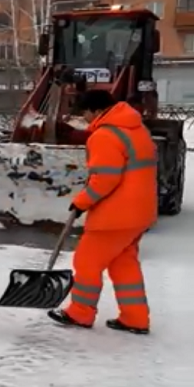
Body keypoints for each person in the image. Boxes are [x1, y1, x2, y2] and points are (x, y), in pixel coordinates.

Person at [47, 90, 155, 335]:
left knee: (87, 262)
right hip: (139, 213)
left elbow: (105, 178)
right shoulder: (138, 129)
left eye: (85, 113)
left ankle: (80, 314)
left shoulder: (105, 135)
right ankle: (135, 318)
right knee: (124, 264)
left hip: (115, 215)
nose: (84, 119)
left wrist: (82, 202)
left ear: (96, 110)